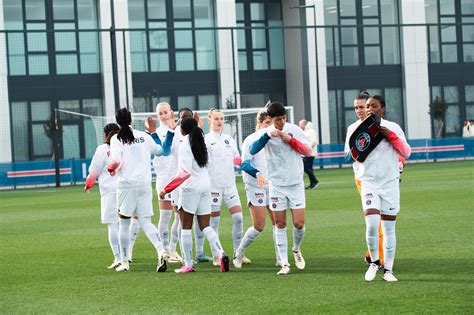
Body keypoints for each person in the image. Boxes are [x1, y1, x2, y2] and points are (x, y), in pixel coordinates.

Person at [348, 95, 411, 282]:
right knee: (372, 224)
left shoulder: (393, 128)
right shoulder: (355, 129)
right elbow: (348, 156)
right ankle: (374, 263)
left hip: (390, 183)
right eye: (367, 106)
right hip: (369, 182)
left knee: (389, 228)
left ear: (382, 109)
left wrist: (388, 135)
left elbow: (406, 152)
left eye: (373, 106)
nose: (369, 109)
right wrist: (362, 147)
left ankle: (388, 270)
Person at [159, 117, 230, 273]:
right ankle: (221, 253)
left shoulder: (185, 144)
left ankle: (188, 264)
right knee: (205, 226)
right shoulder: (201, 141)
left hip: (190, 188)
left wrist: (167, 189)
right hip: (205, 186)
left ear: (182, 130)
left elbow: (184, 173)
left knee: (185, 227)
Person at [107, 107, 174, 272]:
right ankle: (161, 250)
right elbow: (163, 151)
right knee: (146, 222)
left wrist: (111, 168)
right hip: (144, 184)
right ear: (131, 120)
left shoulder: (116, 139)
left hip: (126, 185)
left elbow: (115, 160)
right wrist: (165, 134)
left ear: (118, 121)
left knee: (123, 223)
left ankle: (124, 261)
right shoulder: (144, 136)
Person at [250, 102, 313, 275]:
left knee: (299, 224)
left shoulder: (294, 130)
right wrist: (267, 137)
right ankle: (285, 264)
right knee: (280, 223)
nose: (282, 122)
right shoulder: (265, 133)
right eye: (278, 120)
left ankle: (296, 249)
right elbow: (253, 150)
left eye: (284, 118)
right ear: (270, 119)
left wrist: (291, 140)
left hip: (295, 183)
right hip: (276, 184)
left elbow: (308, 151)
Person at [233, 109, 281, 268]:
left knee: (278, 223)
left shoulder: (275, 138)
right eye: (267, 123)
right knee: (259, 225)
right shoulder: (250, 140)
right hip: (255, 185)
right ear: (259, 123)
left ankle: (280, 258)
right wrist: (258, 173)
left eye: (271, 123)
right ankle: (239, 252)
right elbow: (244, 164)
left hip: (272, 185)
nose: (270, 126)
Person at [344, 91, 385, 267]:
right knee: (377, 220)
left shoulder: (384, 127)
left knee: (381, 219)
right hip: (363, 179)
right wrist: (359, 150)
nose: (359, 110)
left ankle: (372, 255)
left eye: (362, 107)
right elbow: (347, 157)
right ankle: (380, 259)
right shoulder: (352, 129)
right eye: (356, 108)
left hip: (384, 179)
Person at [205, 108, 247, 265]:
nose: (219, 121)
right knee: (214, 222)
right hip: (213, 187)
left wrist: (242, 162)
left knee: (238, 218)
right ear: (209, 120)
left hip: (230, 186)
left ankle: (238, 253)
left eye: (221, 118)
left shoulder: (229, 139)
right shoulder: (206, 139)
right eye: (216, 118)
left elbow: (236, 158)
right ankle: (217, 254)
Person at [85, 123, 121, 269]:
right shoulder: (124, 146)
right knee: (125, 224)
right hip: (125, 188)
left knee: (112, 224)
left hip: (109, 191)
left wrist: (89, 183)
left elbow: (94, 170)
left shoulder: (102, 149)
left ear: (105, 134)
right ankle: (127, 255)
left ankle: (118, 258)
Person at [152, 102, 182, 263]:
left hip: (178, 179)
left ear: (171, 112)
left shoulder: (179, 131)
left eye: (166, 112)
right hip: (163, 179)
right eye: (160, 113)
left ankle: (172, 248)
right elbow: (165, 152)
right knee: (165, 216)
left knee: (179, 216)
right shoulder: (155, 133)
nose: (163, 115)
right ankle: (163, 250)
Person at [298, 119, 319, 189]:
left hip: (310, 153)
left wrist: (306, 149)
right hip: (307, 153)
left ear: (304, 124)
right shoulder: (306, 131)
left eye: (300, 124)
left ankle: (315, 181)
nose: (299, 126)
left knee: (305, 167)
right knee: (309, 168)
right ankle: (312, 184)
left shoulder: (311, 131)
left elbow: (313, 141)